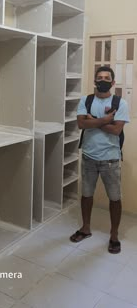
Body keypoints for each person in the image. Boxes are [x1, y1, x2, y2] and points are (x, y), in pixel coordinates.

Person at [70, 66, 129, 254]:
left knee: (115, 198)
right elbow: (81, 124)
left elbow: (116, 130)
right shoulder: (86, 100)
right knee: (86, 195)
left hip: (111, 159)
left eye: (107, 78)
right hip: (88, 157)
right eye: (99, 77)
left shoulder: (120, 103)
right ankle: (85, 228)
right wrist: (106, 120)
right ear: (95, 81)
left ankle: (114, 235)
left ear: (112, 83)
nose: (102, 80)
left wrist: (93, 120)